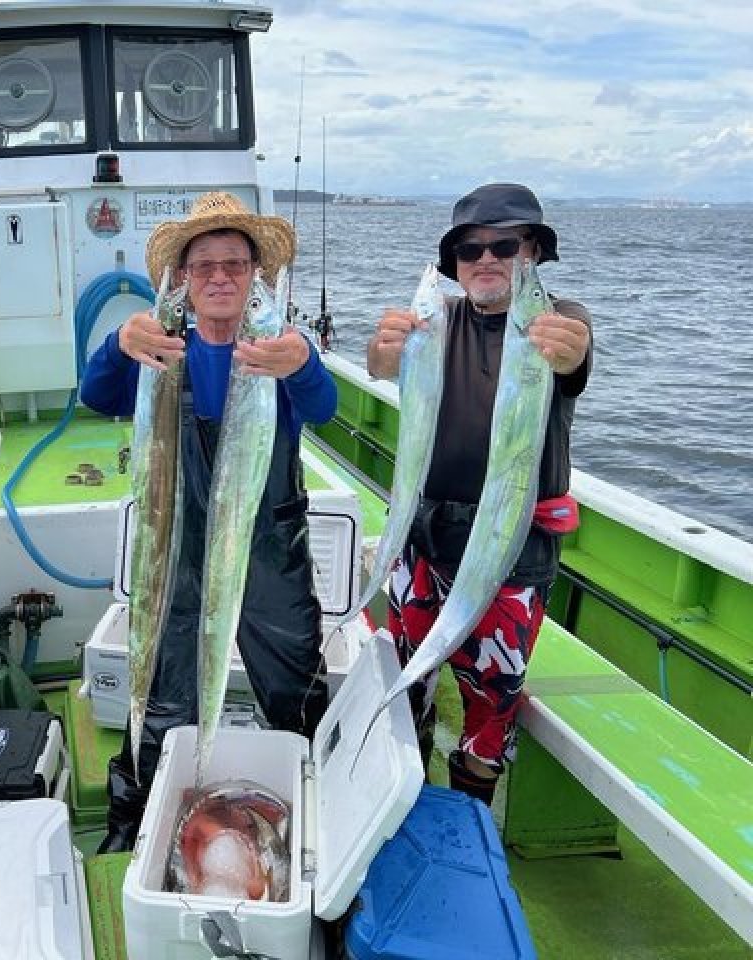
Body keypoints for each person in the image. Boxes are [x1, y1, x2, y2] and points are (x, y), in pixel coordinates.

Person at [80, 191, 338, 852]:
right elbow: (97, 393)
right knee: (163, 690)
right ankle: (138, 815)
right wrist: (119, 343)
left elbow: (324, 407)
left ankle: (315, 812)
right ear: (185, 282)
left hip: (268, 551)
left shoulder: (280, 351)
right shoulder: (161, 351)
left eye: (235, 265)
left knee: (295, 684)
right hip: (179, 552)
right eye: (204, 266)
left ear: (256, 277)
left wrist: (305, 363)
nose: (221, 277)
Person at [366, 182, 592, 805]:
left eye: (505, 245)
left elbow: (572, 349)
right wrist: (383, 349)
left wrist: (569, 349)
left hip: (511, 553)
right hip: (424, 541)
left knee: (490, 708)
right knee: (405, 682)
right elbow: (381, 362)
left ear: (533, 252)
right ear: (455, 263)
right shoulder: (436, 322)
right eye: (470, 249)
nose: (486, 258)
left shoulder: (553, 320)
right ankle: (401, 802)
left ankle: (467, 817)